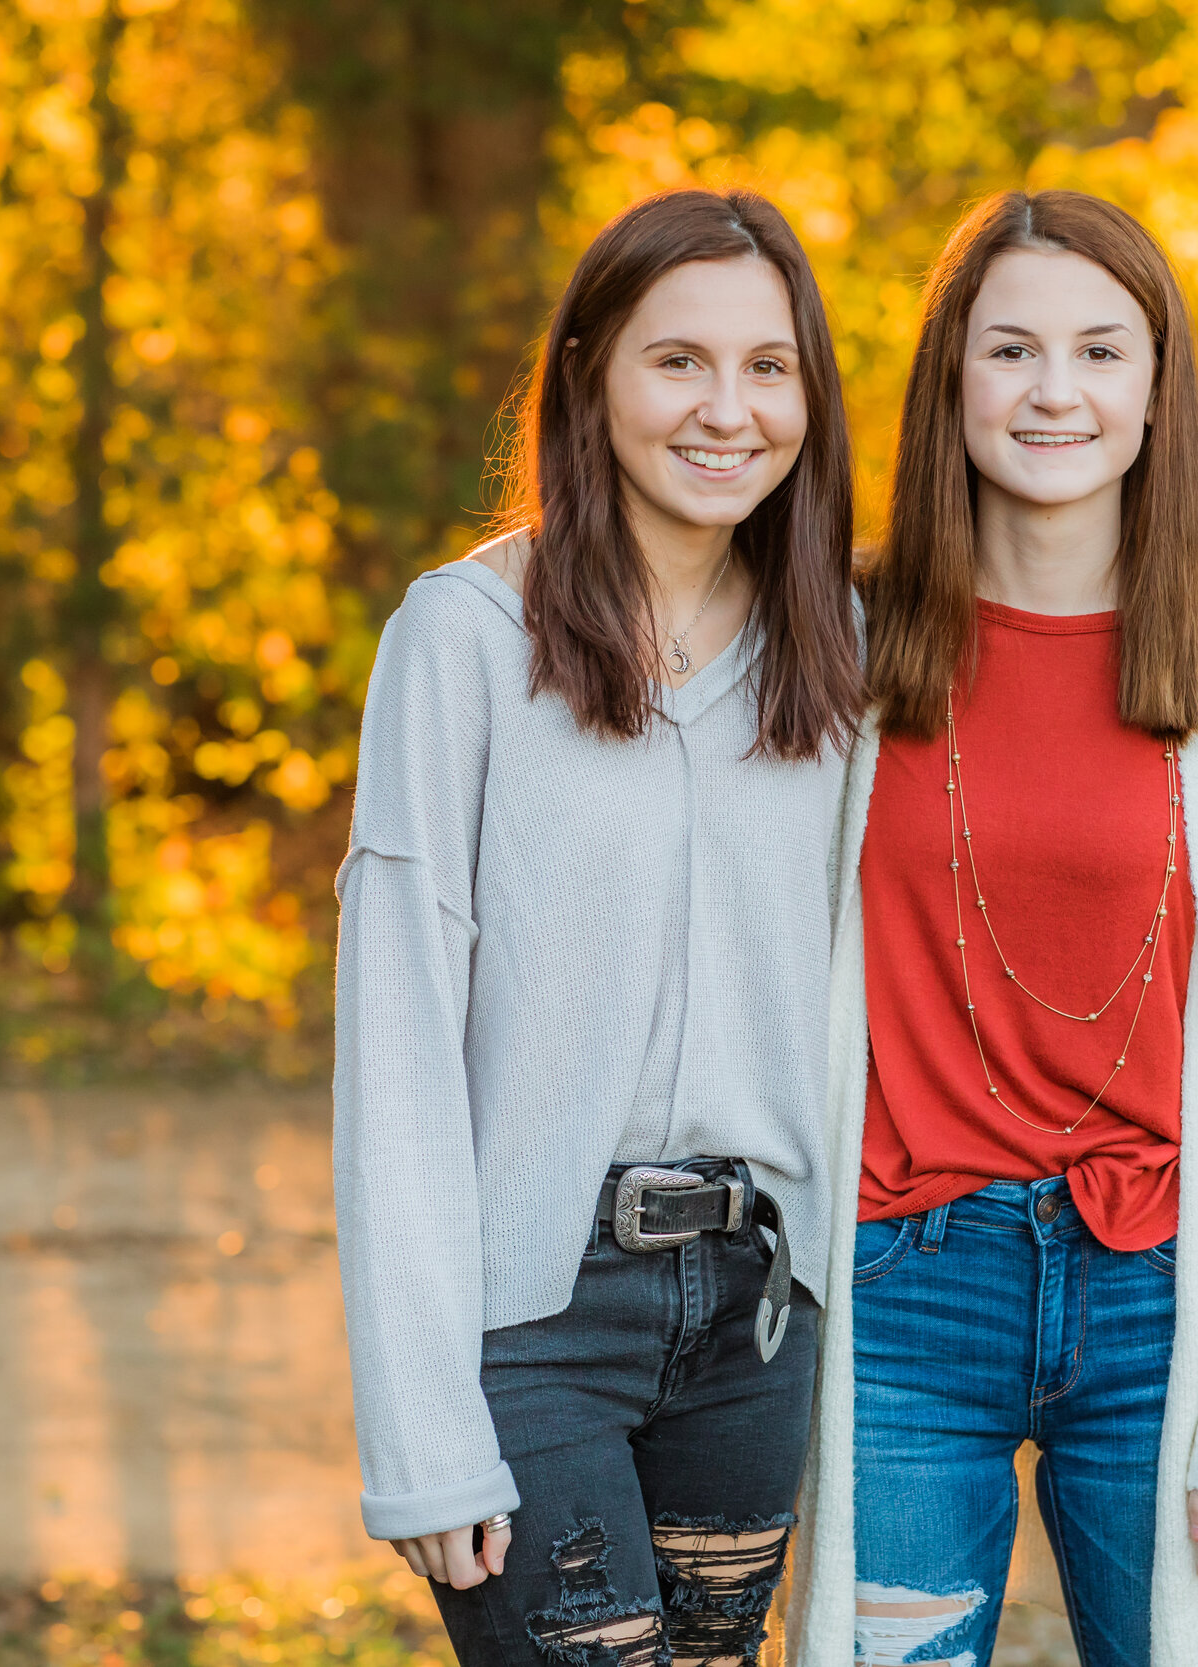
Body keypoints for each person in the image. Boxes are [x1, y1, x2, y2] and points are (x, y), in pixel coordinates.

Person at [786, 189, 1198, 1667]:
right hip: (902, 1299)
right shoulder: (835, 646)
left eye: (1102, 351)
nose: (1056, 391)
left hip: (1165, 1304)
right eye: (1011, 350)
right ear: (950, 383)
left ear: (1158, 389)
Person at [332, 187, 863, 1667]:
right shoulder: (464, 639)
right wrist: (422, 1424)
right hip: (535, 1317)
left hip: (761, 1322)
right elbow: (397, 1047)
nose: (727, 410)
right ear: (588, 377)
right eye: (676, 360)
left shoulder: (846, 652)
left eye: (770, 368)